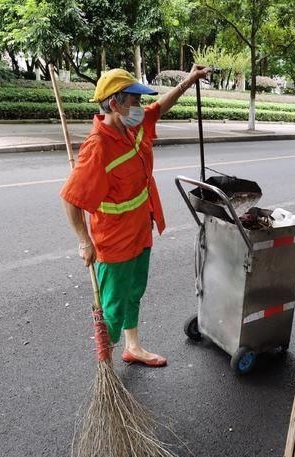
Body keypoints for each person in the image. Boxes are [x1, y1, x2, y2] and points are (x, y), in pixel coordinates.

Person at [60, 65, 209, 367]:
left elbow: (159, 108)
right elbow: (71, 199)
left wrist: (189, 81)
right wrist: (83, 241)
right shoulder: (98, 147)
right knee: (112, 308)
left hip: (141, 228)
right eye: (134, 101)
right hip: (114, 241)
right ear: (115, 104)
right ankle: (106, 366)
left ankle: (133, 347)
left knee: (134, 292)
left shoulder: (132, 127)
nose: (140, 107)